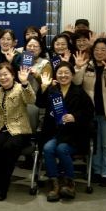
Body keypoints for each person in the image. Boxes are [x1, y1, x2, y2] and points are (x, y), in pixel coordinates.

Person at [38, 62, 94, 201]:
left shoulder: (79, 92)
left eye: (66, 73)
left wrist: (75, 117)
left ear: (72, 75)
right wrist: (43, 87)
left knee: (62, 149)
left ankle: (69, 183)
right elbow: (39, 103)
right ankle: (55, 184)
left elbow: (89, 112)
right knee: (47, 148)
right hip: (55, 133)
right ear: (56, 75)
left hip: (74, 134)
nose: (63, 75)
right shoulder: (52, 90)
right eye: (60, 73)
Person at [0, 63, 35, 201]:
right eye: (0, 75)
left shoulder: (21, 88)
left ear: (13, 75)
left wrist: (25, 83)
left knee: (8, 148)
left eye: (6, 74)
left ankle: (2, 187)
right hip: (1, 129)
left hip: (20, 130)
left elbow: (31, 100)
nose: (3, 78)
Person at [73, 38, 106, 186]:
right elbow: (76, 82)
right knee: (94, 145)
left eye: (103, 50)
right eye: (96, 50)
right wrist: (78, 67)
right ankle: (95, 170)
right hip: (91, 113)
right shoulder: (87, 66)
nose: (99, 52)